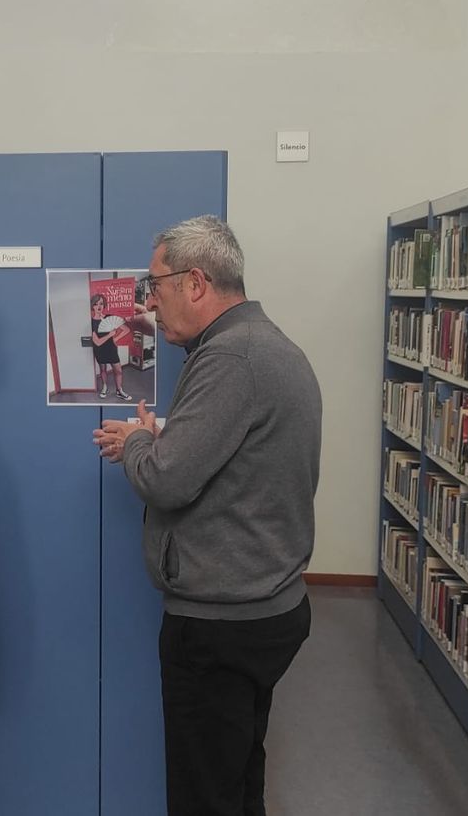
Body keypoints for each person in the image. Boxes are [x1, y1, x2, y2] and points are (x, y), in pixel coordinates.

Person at [92, 215, 321, 816]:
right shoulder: (264, 346)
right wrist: (165, 436)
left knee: (203, 793)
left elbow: (165, 480)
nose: (149, 301)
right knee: (238, 775)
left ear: (195, 282)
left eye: (155, 284)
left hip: (222, 624)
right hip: (264, 605)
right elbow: (243, 449)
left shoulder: (231, 359)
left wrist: (142, 444)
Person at [90, 293, 134, 401]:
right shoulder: (91, 322)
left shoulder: (109, 318)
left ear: (104, 305)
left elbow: (127, 330)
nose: (99, 306)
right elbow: (98, 342)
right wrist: (110, 335)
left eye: (101, 303)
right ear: (92, 306)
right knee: (103, 369)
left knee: (118, 370)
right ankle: (104, 387)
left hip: (111, 349)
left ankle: (119, 390)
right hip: (100, 350)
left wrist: (116, 338)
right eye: (96, 304)